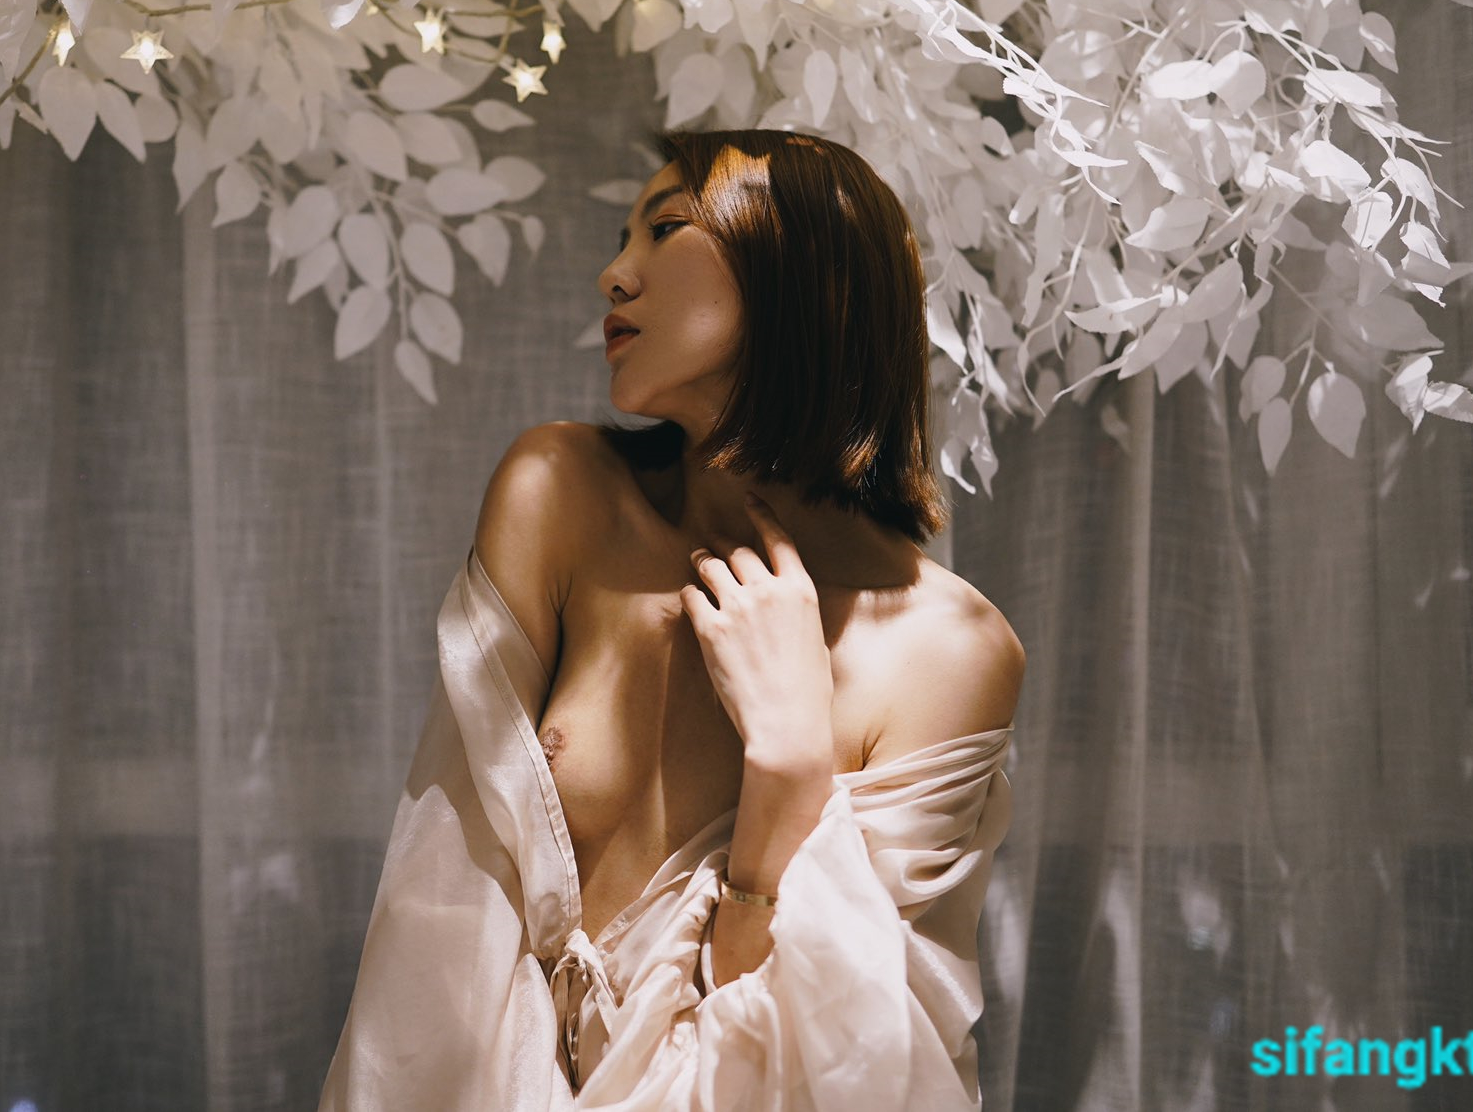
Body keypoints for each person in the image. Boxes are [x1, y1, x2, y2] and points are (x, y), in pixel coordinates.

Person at [318, 129, 1026, 1110]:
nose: (614, 276)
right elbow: (439, 927)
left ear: (801, 272)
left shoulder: (948, 649)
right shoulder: (558, 496)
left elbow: (847, 1067)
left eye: (663, 229)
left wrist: (788, 766)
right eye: (622, 240)